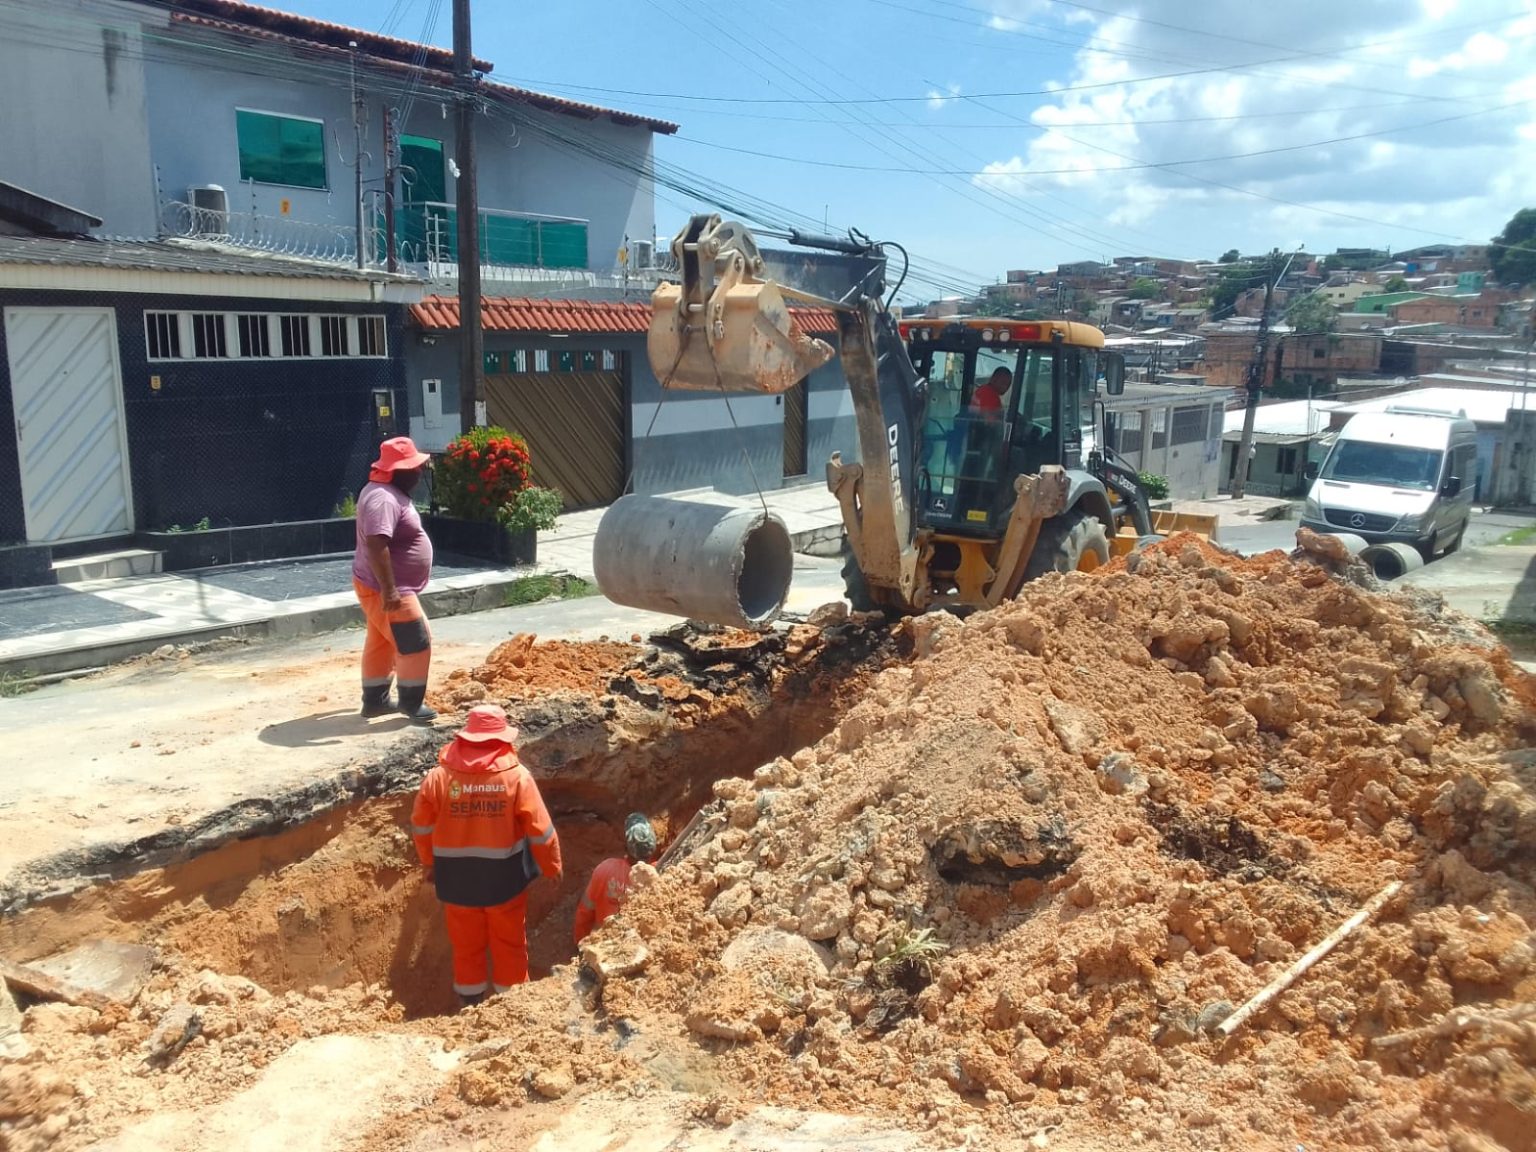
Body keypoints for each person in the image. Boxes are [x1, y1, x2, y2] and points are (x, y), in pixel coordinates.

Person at [411, 704, 562, 1008]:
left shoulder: (438, 778)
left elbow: (421, 826)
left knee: (467, 947)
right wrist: (552, 866)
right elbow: (540, 830)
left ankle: (471, 1006)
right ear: (502, 739)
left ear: (466, 738)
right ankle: (513, 1007)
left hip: (456, 883)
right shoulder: (517, 778)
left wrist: (430, 863)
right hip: (503, 881)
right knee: (509, 945)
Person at [353, 436, 436, 722]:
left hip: (383, 585)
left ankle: (375, 700)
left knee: (381, 641)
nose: (418, 472)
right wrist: (389, 590)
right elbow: (377, 544)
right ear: (397, 471)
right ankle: (411, 704)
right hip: (387, 587)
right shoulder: (383, 498)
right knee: (415, 640)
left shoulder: (385, 491)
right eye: (413, 468)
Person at [573, 814, 658, 945]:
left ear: (626, 847)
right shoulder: (658, 879)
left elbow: (584, 911)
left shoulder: (605, 869)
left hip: (602, 946)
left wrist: (580, 943)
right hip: (635, 951)